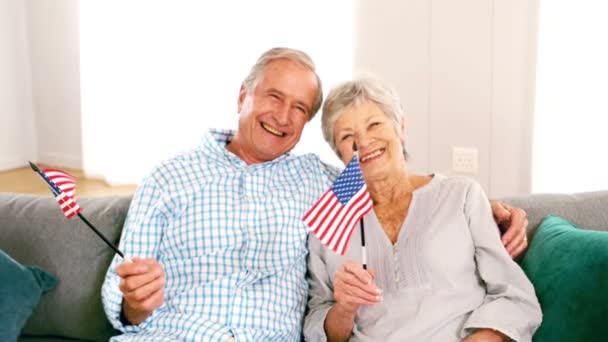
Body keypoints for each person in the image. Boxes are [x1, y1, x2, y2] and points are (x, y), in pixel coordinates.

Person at [101, 47, 531, 341]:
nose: (284, 117)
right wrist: (135, 304)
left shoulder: (319, 181)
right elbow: (116, 297)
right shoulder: (168, 177)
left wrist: (489, 209)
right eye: (273, 97)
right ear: (242, 96)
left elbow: (391, 177)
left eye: (300, 108)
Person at [304, 77, 542, 342]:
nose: (365, 142)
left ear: (400, 127)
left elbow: (515, 296)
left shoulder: (460, 196)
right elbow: (316, 326)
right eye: (348, 136)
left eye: (374, 125)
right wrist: (345, 308)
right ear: (340, 153)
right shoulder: (329, 223)